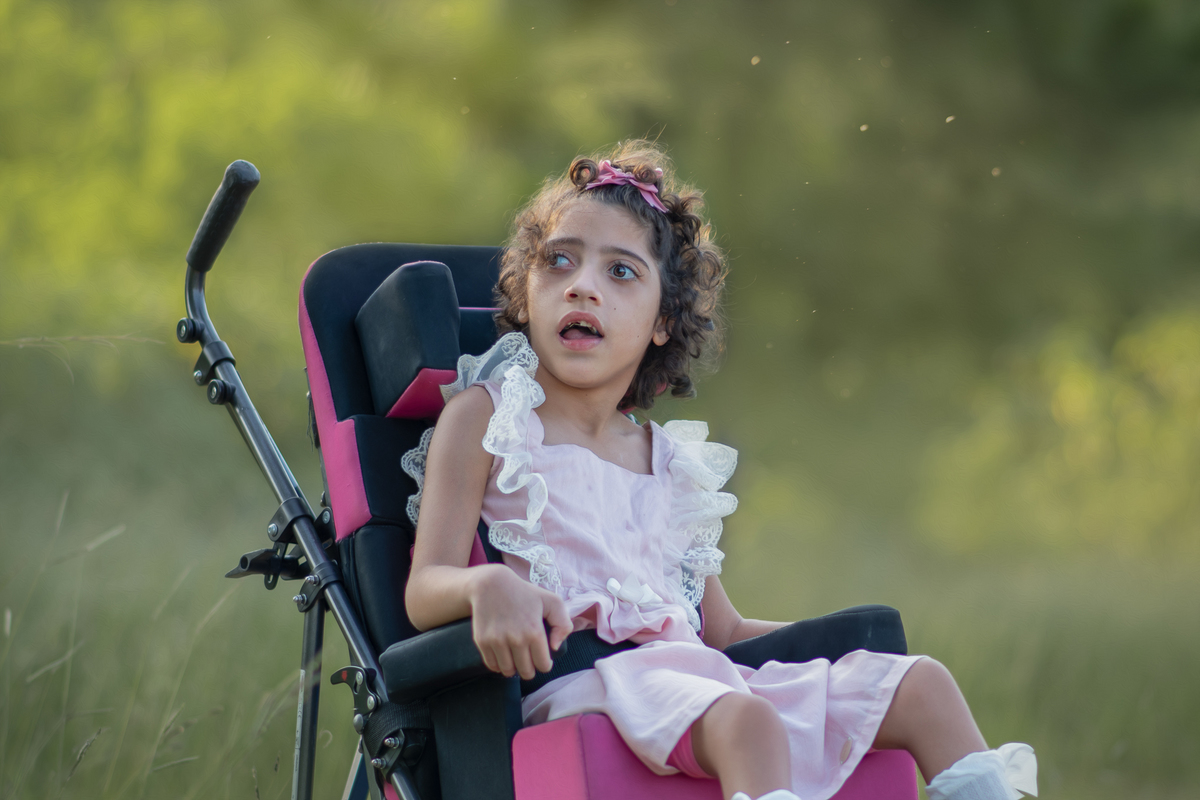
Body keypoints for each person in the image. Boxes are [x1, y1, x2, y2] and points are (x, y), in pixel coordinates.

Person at [403, 141, 1037, 800]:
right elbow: (425, 590)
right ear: (526, 291)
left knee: (921, 683)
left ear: (662, 323)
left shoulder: (670, 462)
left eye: (621, 273)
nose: (582, 284)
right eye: (558, 260)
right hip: (588, 685)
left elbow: (722, 632)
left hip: (699, 681)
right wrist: (484, 589)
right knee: (750, 722)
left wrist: (845, 655)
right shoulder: (489, 416)